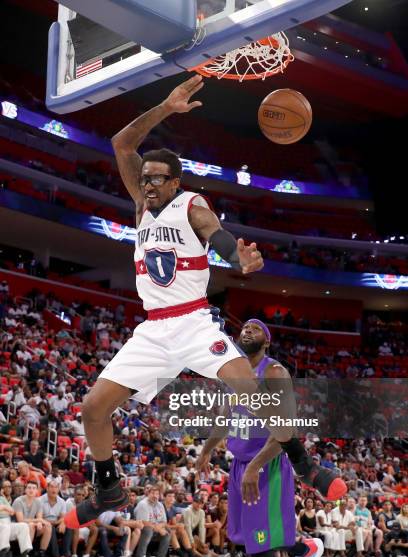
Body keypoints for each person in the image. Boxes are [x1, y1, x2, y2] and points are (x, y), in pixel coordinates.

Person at [65, 75, 343, 530]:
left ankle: (303, 460)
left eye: (157, 178)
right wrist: (167, 107)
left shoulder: (191, 205)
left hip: (193, 323)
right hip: (153, 330)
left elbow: (218, 236)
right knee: (93, 408)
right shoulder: (140, 204)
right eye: (145, 177)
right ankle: (107, 486)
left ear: (175, 182)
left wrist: (239, 257)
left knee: (251, 393)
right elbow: (121, 142)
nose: (148, 183)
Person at [196, 320, 324, 557]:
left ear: (267, 341)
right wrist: (205, 451)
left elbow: (286, 431)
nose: (246, 331)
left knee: (260, 545)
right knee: (250, 538)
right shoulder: (234, 373)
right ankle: (305, 548)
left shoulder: (274, 372)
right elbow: (226, 418)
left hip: (267, 465)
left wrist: (255, 466)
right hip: (240, 465)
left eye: (254, 329)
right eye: (244, 329)